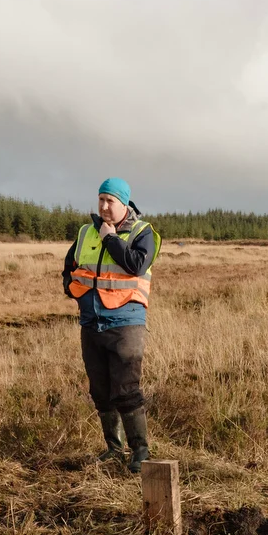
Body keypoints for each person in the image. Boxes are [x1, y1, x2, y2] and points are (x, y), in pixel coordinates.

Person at [63, 177, 157, 472]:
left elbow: (135, 265)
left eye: (110, 201)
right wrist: (73, 290)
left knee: (126, 388)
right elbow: (70, 268)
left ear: (125, 204)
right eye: (101, 199)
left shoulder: (143, 233)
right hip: (91, 322)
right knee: (100, 390)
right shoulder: (84, 232)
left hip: (126, 323)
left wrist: (109, 237)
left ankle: (140, 451)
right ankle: (113, 449)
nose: (104, 206)